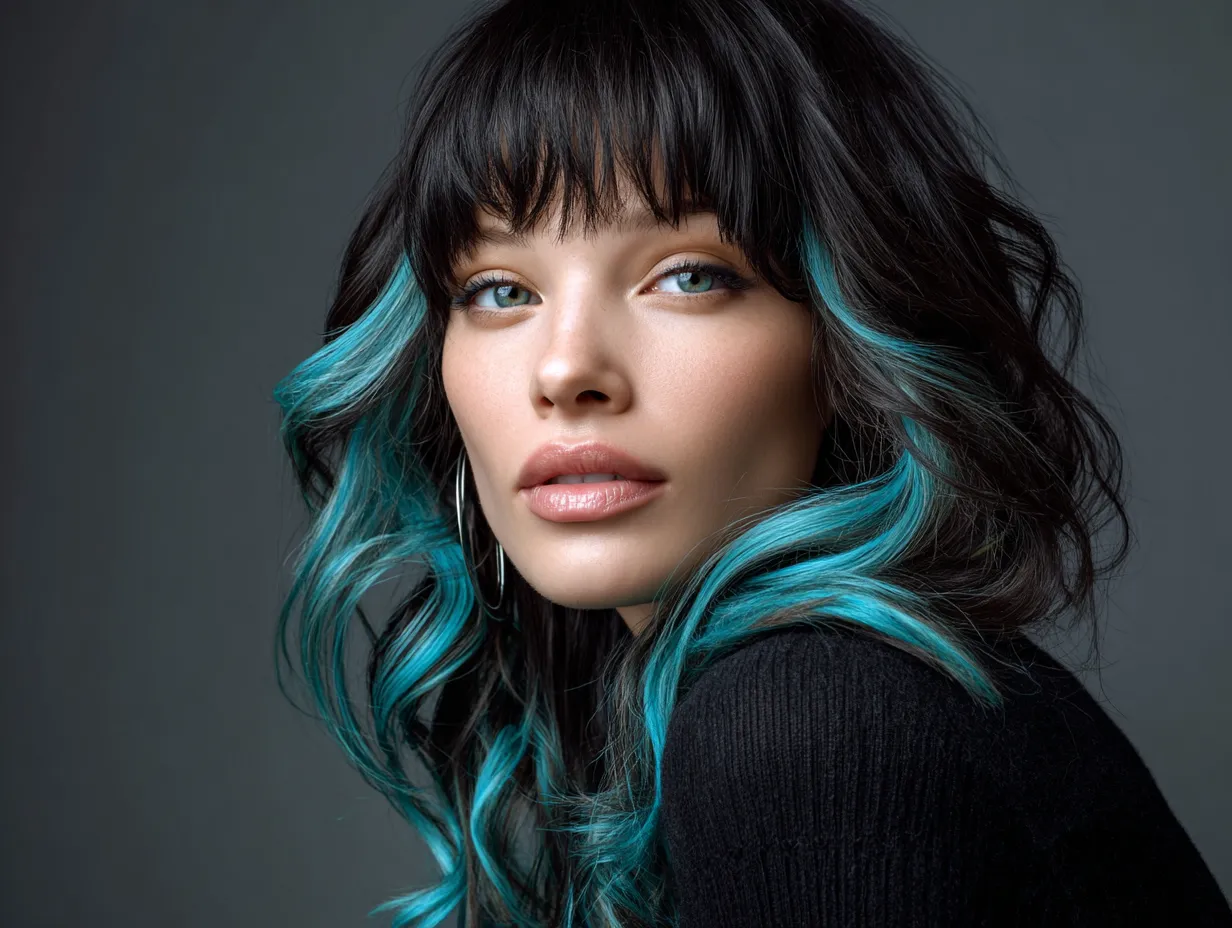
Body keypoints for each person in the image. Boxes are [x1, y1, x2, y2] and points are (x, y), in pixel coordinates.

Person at [271, 0, 1232, 924]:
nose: (566, 370)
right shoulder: (806, 692)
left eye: (688, 276)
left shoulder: (807, 721)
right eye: (497, 290)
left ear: (844, 336)